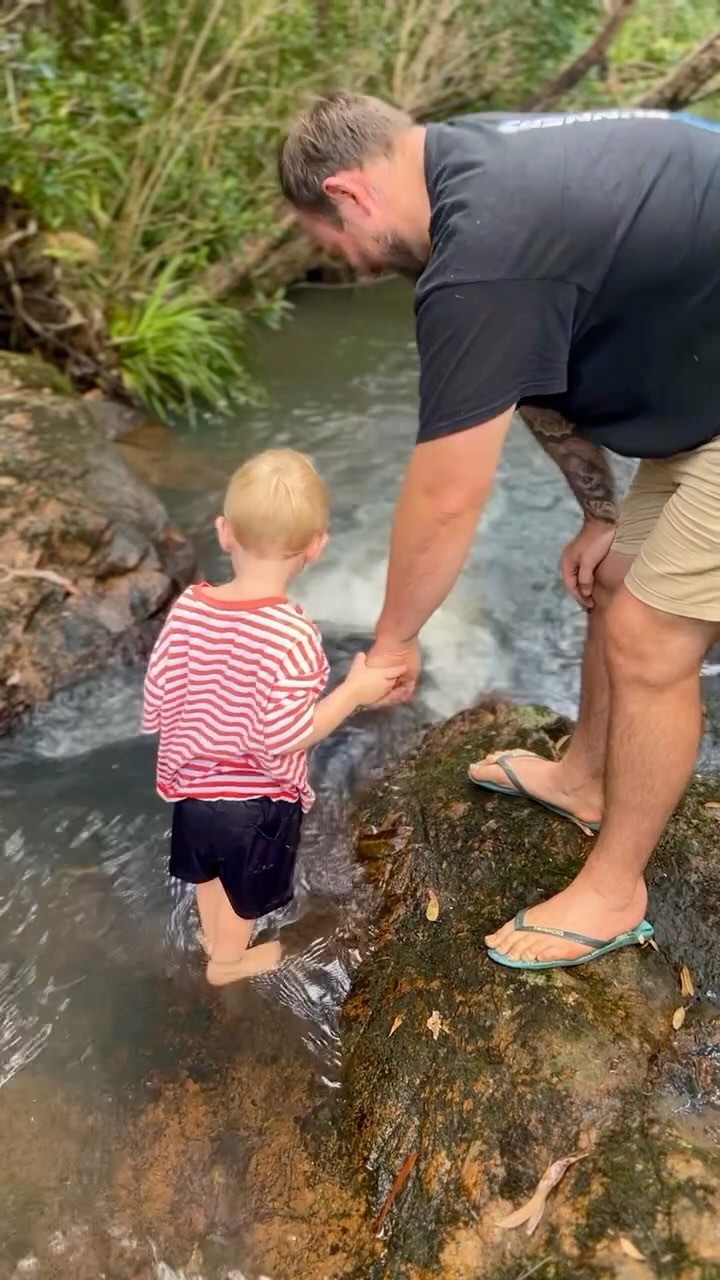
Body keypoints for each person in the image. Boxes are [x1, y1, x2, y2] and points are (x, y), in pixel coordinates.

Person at [277, 93, 720, 970]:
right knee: (616, 581)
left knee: (649, 636)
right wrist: (600, 513)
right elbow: (534, 378)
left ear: (349, 193)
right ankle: (587, 778)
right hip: (702, 387)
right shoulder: (476, 169)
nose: (351, 264)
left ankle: (615, 889)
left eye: (333, 244)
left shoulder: (484, 253)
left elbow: (445, 495)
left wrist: (392, 645)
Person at [142, 448, 401, 985]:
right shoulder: (292, 633)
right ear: (316, 547)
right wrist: (354, 690)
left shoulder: (190, 606)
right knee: (246, 895)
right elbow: (288, 735)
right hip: (254, 805)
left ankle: (211, 936)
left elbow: (159, 692)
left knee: (210, 876)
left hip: (194, 790)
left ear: (223, 531)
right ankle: (229, 962)